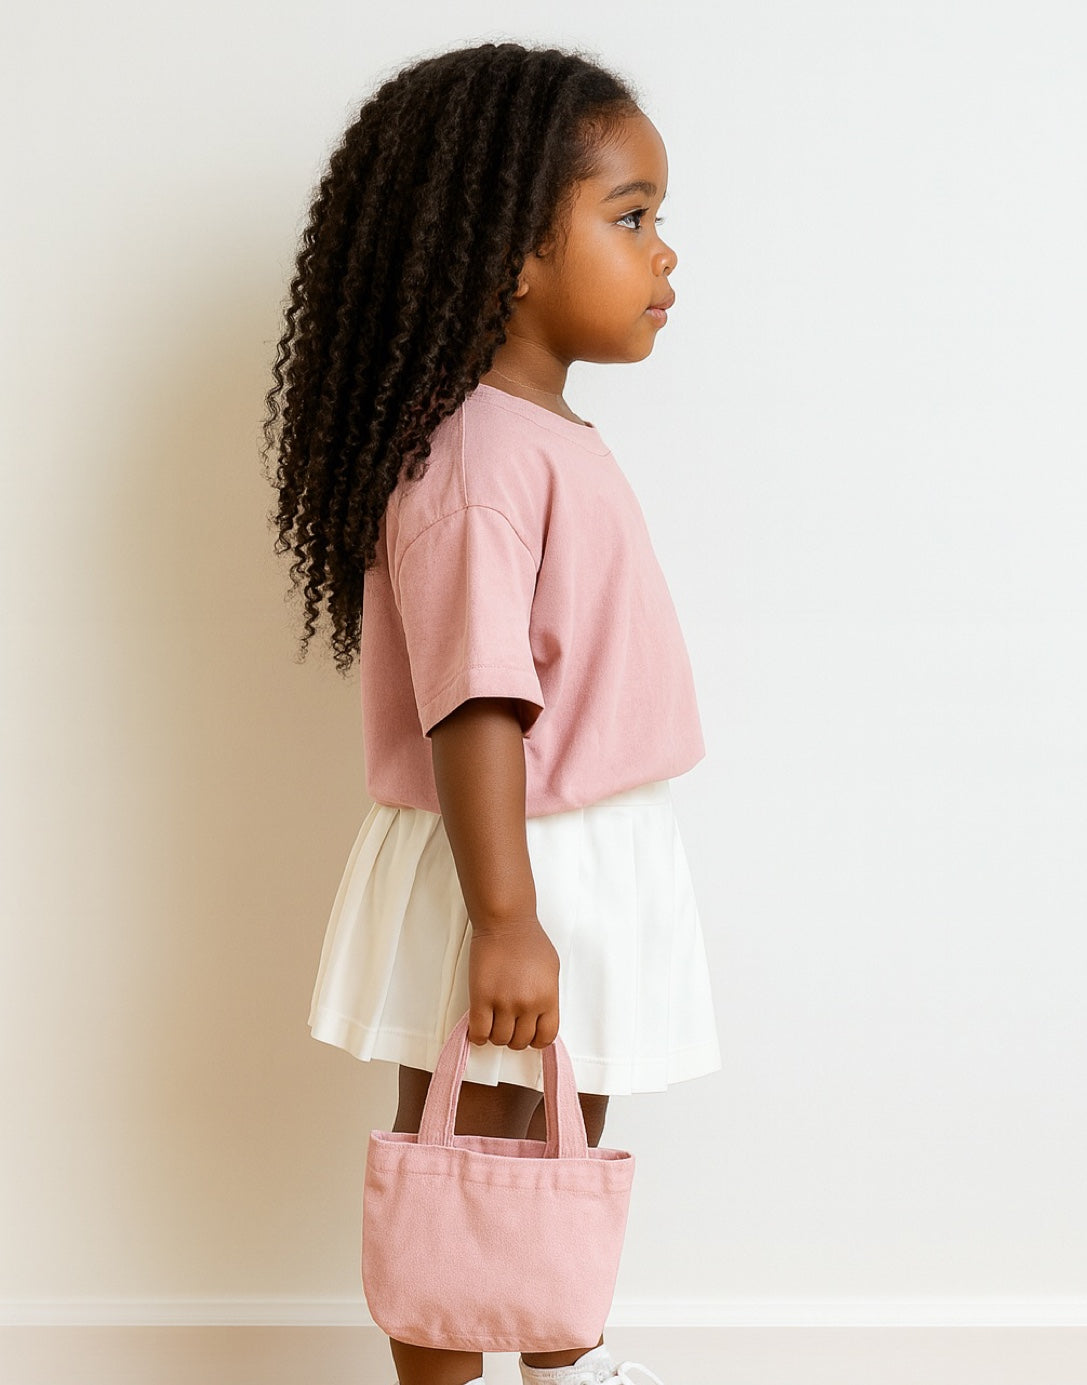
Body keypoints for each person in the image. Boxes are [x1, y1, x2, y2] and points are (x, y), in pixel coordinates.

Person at [261, 39, 722, 1385]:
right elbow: (476, 702)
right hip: (517, 854)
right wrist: (507, 915)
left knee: (551, 1157)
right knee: (466, 1155)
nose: (664, 255)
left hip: (573, 846)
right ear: (512, 254)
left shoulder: (530, 437)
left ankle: (558, 1367)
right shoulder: (473, 460)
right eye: (630, 218)